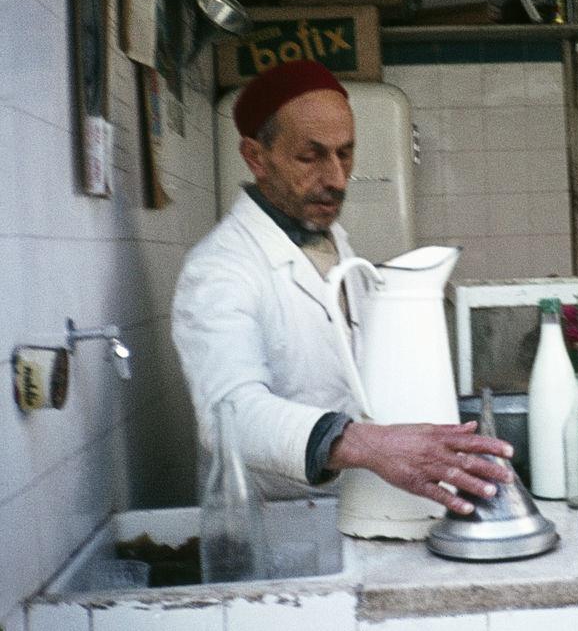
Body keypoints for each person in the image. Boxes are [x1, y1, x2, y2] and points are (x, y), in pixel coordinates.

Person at [172, 60, 513, 515]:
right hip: (281, 520)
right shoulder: (220, 269)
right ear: (256, 157)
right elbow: (229, 415)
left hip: (352, 504)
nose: (335, 178)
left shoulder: (333, 242)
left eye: (345, 153)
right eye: (310, 157)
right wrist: (368, 445)